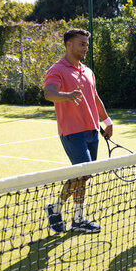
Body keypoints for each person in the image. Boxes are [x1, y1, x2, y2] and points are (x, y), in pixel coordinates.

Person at [43, 28, 112, 234]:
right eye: (81, 44)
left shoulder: (88, 71)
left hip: (92, 130)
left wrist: (106, 120)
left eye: (86, 44)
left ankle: (55, 208)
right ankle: (78, 219)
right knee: (81, 173)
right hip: (72, 132)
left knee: (84, 174)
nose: (85, 48)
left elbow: (95, 98)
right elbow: (49, 93)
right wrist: (66, 96)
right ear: (69, 45)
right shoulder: (57, 70)